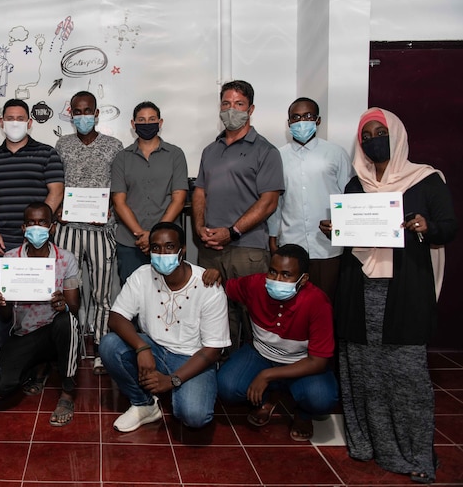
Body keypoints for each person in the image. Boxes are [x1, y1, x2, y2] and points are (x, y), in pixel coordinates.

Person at [329, 108, 456, 484]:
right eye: (365, 136)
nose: (372, 141)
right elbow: (351, 231)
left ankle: (416, 453)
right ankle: (367, 444)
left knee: (405, 375)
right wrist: (335, 227)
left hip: (404, 289)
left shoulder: (426, 180)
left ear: (396, 135)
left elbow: (448, 228)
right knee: (362, 373)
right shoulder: (355, 185)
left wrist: (425, 226)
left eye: (378, 133)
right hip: (359, 287)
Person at [99, 222, 229, 432]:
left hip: (193, 357)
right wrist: (142, 348)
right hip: (155, 349)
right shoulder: (142, 275)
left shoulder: (207, 286)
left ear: (182, 249)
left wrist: (172, 381)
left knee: (194, 416)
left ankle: (171, 388)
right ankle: (144, 405)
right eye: (156, 248)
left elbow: (213, 349)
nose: (162, 253)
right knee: (109, 344)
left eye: (169, 246)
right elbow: (116, 317)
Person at [193, 80, 284, 350]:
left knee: (251, 315)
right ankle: (222, 370)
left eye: (239, 104)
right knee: (215, 314)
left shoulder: (266, 151)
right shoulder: (211, 150)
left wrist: (232, 232)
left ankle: (254, 374)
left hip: (247, 249)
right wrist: (200, 228)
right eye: (226, 104)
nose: (231, 110)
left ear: (250, 109)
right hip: (211, 248)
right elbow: (200, 192)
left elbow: (268, 202)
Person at [215, 244, 339, 442]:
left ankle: (303, 414)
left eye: (286, 275)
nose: (276, 280)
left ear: (303, 279)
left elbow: (318, 362)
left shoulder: (317, 302)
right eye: (272, 272)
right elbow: (225, 287)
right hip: (260, 354)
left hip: (301, 362)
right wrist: (214, 275)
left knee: (321, 398)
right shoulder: (255, 285)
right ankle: (267, 399)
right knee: (227, 386)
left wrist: (267, 375)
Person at [0, 99, 64, 350]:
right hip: (1, 241)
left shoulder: (47, 153)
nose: (14, 123)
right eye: (9, 118)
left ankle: (40, 357)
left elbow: (56, 192)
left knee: (41, 301)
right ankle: (3, 354)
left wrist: (37, 231)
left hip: (38, 242)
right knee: (2, 300)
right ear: (1, 122)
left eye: (20, 118)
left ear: (29, 122)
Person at [0, 202, 80, 427]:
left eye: (42, 223)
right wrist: (0, 303)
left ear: (52, 228)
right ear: (23, 228)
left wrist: (63, 304)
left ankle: (67, 392)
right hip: (24, 334)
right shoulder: (10, 260)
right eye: (31, 223)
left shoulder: (66, 259)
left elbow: (75, 306)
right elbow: (6, 314)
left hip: (54, 331)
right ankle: (39, 366)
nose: (36, 228)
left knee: (67, 321)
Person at [55, 90, 124, 374]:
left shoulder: (114, 145)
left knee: (101, 294)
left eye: (88, 111)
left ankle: (100, 349)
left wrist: (107, 207)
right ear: (71, 114)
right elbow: (56, 183)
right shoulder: (62, 144)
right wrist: (58, 208)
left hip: (100, 229)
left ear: (96, 114)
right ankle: (72, 344)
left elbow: (119, 185)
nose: (83, 116)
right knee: (68, 291)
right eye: (78, 111)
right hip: (68, 229)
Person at [267, 98, 351, 302]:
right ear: (288, 123)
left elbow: (348, 197)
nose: (301, 121)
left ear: (318, 120)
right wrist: (272, 236)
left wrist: (344, 229)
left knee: (326, 302)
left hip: (327, 246)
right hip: (291, 243)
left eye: (307, 116)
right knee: (294, 306)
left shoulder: (336, 153)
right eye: (295, 117)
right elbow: (275, 201)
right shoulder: (278, 156)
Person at [110, 101, 188, 285]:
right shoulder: (122, 158)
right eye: (141, 120)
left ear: (160, 123)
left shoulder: (175, 154)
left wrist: (155, 235)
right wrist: (141, 234)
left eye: (152, 119)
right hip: (131, 242)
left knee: (170, 295)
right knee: (132, 300)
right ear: (133, 124)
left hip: (168, 243)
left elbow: (179, 199)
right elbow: (119, 201)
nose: (147, 124)